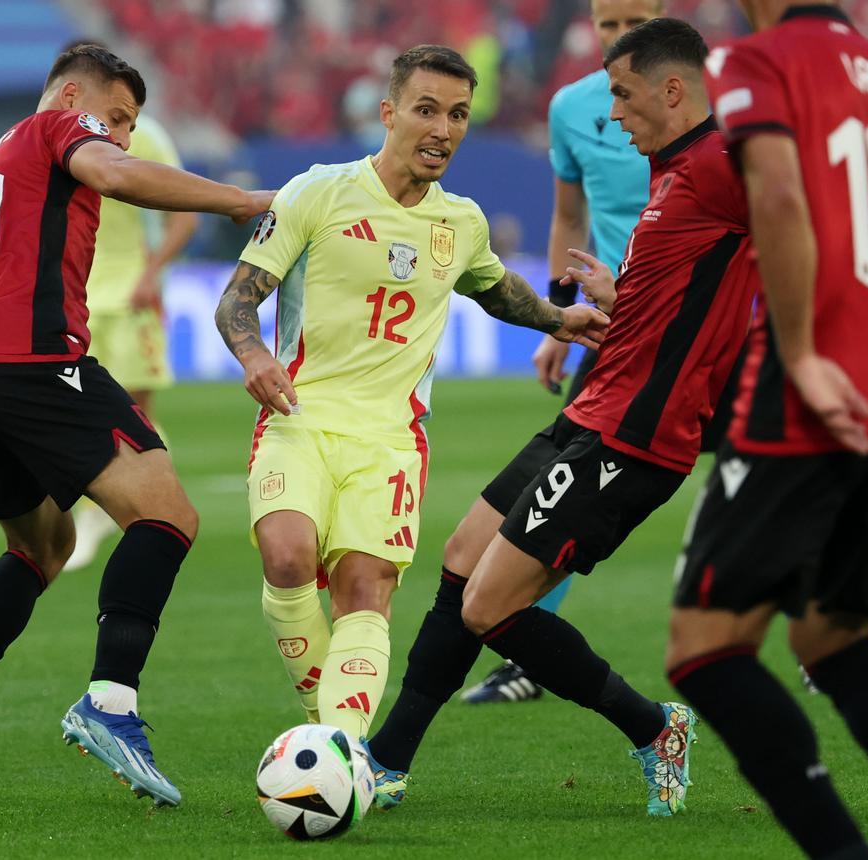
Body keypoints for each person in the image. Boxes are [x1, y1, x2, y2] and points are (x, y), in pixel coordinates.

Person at [365, 18, 757, 817]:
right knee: (463, 560)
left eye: (622, 92)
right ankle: (386, 757)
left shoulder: (723, 164)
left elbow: (798, 241)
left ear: (672, 89)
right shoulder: (672, 171)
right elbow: (689, 292)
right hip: (594, 407)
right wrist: (623, 300)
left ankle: (653, 728)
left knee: (491, 605)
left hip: (638, 435)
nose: (612, 112)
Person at [0, 44, 272, 807]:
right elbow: (118, 176)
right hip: (32, 363)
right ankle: (111, 703)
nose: (119, 137)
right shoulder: (56, 131)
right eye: (115, 117)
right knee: (168, 514)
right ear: (67, 97)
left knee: (42, 546)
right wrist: (239, 200)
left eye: (129, 125)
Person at [213, 45, 608, 744]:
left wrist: (557, 318)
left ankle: (339, 749)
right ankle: (327, 731)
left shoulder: (461, 222)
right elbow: (236, 302)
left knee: (365, 592)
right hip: (299, 418)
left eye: (457, 115)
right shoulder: (318, 191)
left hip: (393, 439)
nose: (443, 129)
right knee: (287, 558)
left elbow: (494, 287)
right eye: (427, 110)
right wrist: (252, 355)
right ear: (389, 113)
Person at [666, 2, 868, 857]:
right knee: (833, 637)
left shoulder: (760, 61)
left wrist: (803, 353)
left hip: (811, 386)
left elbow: (779, 192)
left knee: (704, 648)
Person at [462, 0, 661, 706]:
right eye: (607, 25)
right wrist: (555, 320)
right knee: (566, 483)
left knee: (779, 473)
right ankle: (527, 653)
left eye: (634, 21)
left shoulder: (705, 101)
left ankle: (825, 634)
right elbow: (570, 215)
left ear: (662, 16)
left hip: (701, 325)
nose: (618, 37)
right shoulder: (573, 108)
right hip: (611, 327)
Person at [66, 110, 200, 570]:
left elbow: (184, 217)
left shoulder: (145, 138)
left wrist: (152, 272)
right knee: (85, 411)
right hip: (77, 296)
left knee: (135, 412)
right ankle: (116, 508)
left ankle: (146, 511)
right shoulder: (61, 138)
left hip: (132, 297)